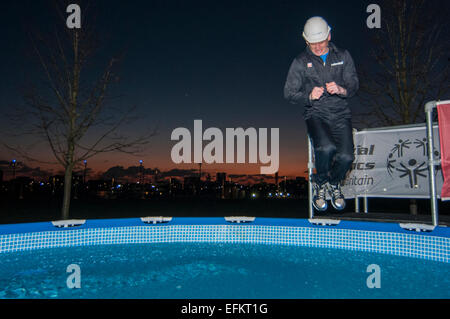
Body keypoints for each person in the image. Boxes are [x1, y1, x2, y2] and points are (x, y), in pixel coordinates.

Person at [284, 16, 359, 211]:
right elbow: (289, 93)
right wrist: (308, 96)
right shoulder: (300, 61)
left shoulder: (343, 55)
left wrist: (341, 90)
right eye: (312, 43)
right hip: (316, 113)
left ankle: (333, 184)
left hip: (341, 114)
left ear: (329, 36)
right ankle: (320, 184)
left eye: (321, 42)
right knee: (326, 148)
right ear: (306, 40)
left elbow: (353, 85)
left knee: (346, 157)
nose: (317, 47)